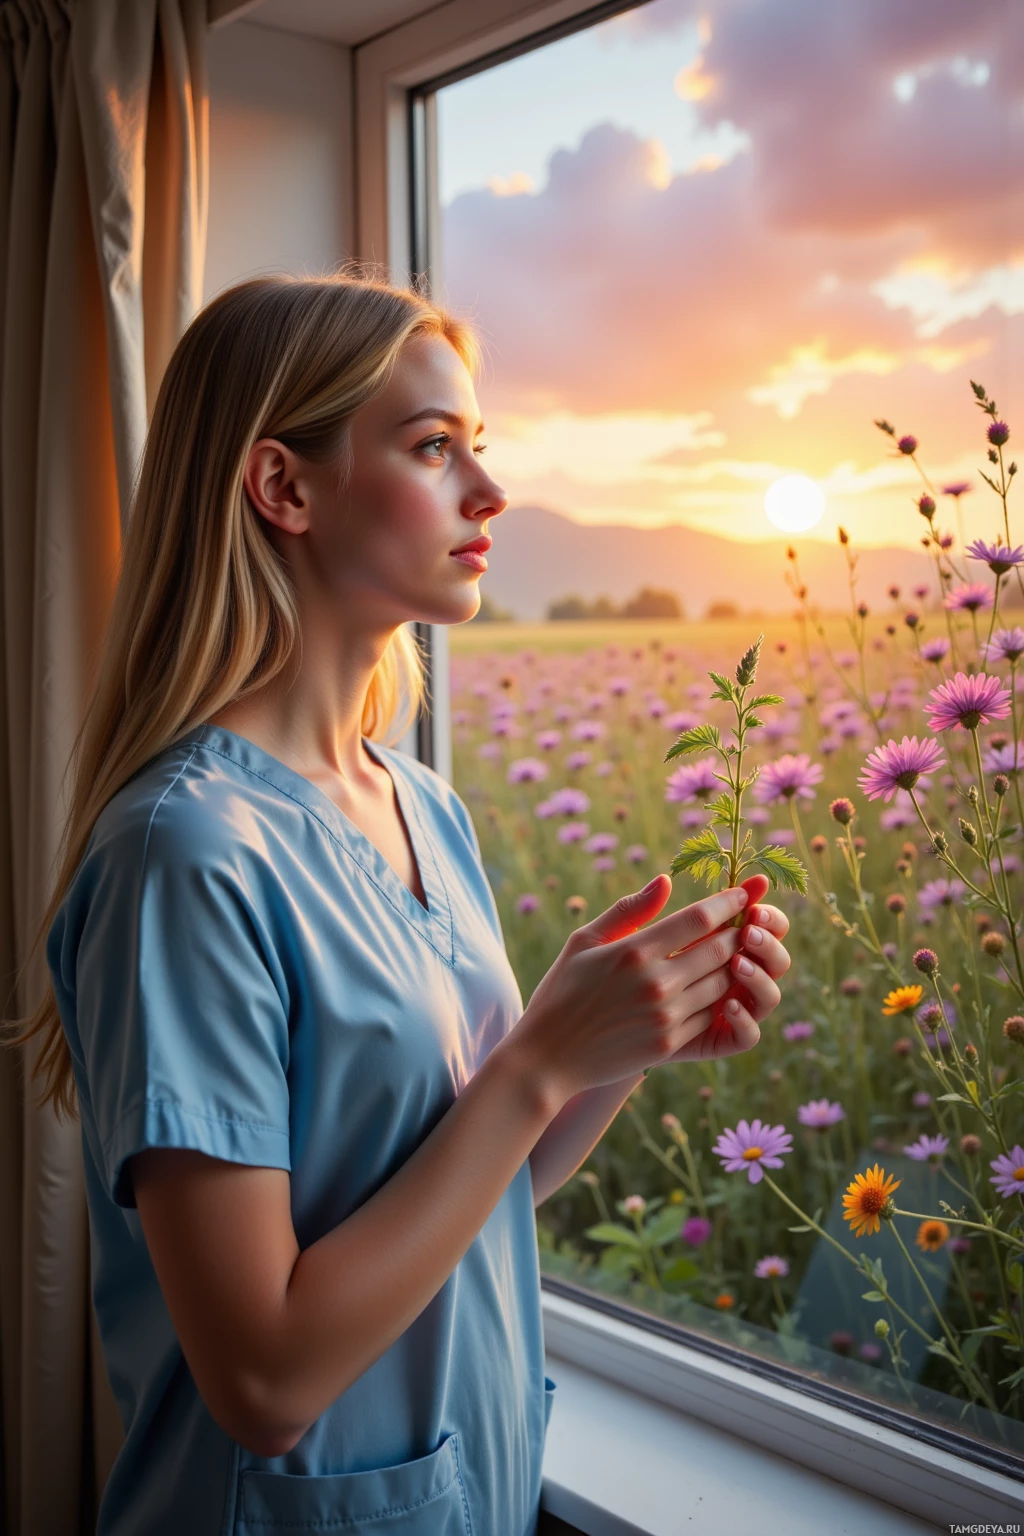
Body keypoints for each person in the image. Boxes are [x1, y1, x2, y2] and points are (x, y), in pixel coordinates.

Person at [4, 269, 791, 1535]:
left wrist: (616, 1041)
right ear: (283, 487)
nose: (488, 492)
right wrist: (537, 1060)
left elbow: (465, 1187)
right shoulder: (185, 853)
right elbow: (262, 1379)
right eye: (434, 449)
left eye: (479, 448)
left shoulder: (425, 807)